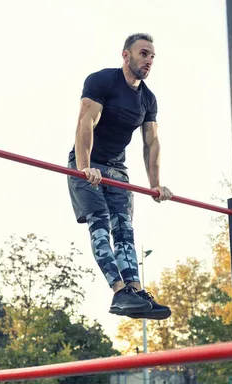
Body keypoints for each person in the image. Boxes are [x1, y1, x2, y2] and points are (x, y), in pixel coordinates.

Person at [67, 33, 172, 320]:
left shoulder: (148, 99)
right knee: (100, 220)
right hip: (86, 163)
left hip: (117, 169)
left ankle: (134, 291)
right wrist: (85, 165)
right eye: (143, 54)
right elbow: (86, 121)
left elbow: (151, 142)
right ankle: (118, 291)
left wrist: (155, 186)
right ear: (125, 55)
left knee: (124, 228)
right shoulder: (102, 81)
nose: (148, 60)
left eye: (152, 56)